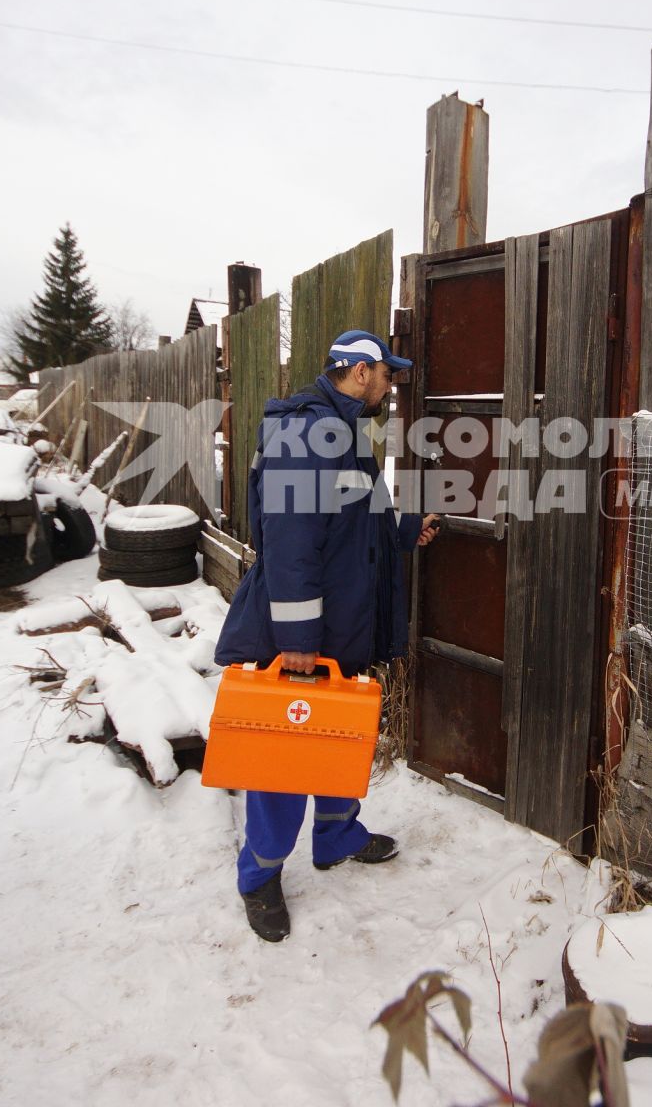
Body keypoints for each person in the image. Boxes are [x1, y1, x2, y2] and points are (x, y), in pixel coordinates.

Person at [215, 328, 440, 942]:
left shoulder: (337, 430)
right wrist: (298, 637)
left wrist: (401, 530)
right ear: (361, 372)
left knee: (341, 735)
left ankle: (337, 835)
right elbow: (289, 543)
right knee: (287, 752)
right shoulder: (305, 432)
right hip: (308, 628)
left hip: (343, 621)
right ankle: (259, 875)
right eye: (387, 374)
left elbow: (346, 518)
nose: (391, 385)